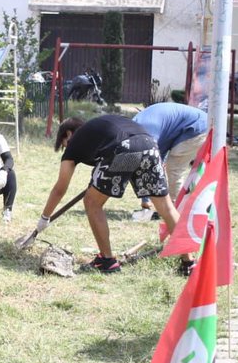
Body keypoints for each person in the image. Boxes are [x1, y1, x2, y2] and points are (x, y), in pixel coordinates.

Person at [23, 114, 192, 275]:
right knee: (166, 206)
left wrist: (44, 218)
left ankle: (107, 260)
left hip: (123, 147)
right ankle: (189, 263)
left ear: (68, 134)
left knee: (92, 202)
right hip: (150, 145)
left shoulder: (75, 141)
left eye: (64, 144)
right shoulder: (99, 128)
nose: (67, 148)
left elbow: (60, 188)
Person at [132, 102, 209, 215]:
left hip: (197, 127)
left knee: (174, 169)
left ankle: (175, 209)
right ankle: (178, 206)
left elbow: (149, 165)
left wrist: (146, 200)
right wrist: (146, 201)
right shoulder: (138, 129)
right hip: (197, 124)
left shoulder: (146, 132)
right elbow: (155, 163)